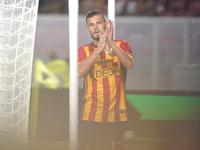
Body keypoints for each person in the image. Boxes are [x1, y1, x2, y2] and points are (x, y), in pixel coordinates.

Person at [78, 10, 134, 150]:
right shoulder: (83, 50)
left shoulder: (122, 45)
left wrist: (110, 42)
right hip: (91, 113)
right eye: (91, 25)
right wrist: (99, 49)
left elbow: (129, 64)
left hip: (116, 113)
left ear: (106, 24)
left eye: (98, 23)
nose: (95, 27)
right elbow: (79, 73)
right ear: (88, 29)